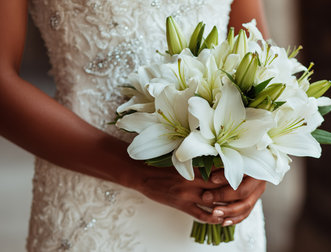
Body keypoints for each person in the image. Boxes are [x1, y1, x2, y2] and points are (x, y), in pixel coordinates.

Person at [0, 0, 271, 251]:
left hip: (224, 197)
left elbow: (252, 43)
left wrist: (263, 157)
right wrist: (139, 174)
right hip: (91, 196)